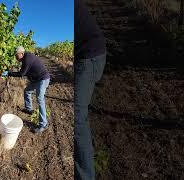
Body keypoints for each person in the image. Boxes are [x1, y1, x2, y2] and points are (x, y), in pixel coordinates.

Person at [75, 0, 106, 179]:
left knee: (77, 119)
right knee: (80, 114)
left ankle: (85, 175)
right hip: (89, 55)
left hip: (89, 58)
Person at [2, 46, 51, 134]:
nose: (16, 57)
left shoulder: (27, 58)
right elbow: (24, 70)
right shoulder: (25, 57)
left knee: (40, 99)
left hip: (43, 79)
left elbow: (21, 74)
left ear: (22, 53)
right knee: (27, 91)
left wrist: (9, 73)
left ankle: (44, 124)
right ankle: (29, 109)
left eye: (17, 55)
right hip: (36, 80)